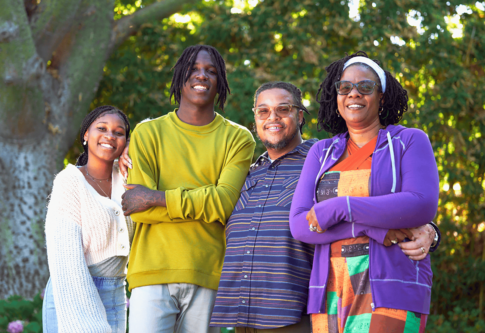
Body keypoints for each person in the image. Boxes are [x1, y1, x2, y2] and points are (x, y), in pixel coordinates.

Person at [209, 82, 440, 333]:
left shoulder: (322, 162)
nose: (272, 117)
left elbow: (369, 194)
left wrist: (428, 229)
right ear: (254, 118)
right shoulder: (246, 172)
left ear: (299, 116)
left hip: (291, 315)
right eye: (263, 111)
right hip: (234, 316)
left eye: (283, 109)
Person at [289, 51, 440, 332]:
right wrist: (372, 229)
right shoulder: (321, 153)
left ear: (381, 96)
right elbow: (300, 225)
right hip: (330, 292)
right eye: (345, 87)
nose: (353, 94)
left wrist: (342, 207)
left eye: (365, 87)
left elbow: (422, 204)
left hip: (394, 286)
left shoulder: (408, 141)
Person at [119, 45, 256, 333]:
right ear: (180, 75)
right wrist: (202, 203)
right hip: (151, 273)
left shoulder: (238, 138)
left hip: (207, 274)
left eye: (211, 71)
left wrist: (156, 198)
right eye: (194, 68)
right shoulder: (147, 133)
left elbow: (223, 204)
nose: (202, 75)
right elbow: (138, 211)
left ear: (220, 83)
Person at [43, 105, 133, 333]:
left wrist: (135, 146)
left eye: (119, 132)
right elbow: (66, 260)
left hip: (116, 293)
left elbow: (159, 135)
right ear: (86, 135)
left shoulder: (128, 178)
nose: (110, 136)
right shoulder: (69, 181)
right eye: (101, 128)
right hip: (72, 292)